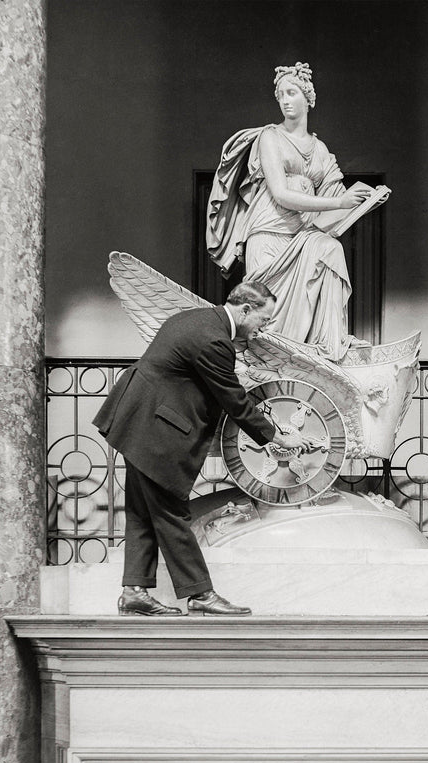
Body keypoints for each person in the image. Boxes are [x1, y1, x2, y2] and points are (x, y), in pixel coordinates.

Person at [93, 282, 303, 615]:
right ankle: (201, 594)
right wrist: (277, 436)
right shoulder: (215, 340)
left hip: (138, 422)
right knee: (170, 512)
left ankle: (135, 592)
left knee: (142, 511)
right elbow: (232, 399)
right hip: (155, 430)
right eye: (264, 319)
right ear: (246, 309)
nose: (265, 328)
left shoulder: (195, 319)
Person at [206, 62, 372, 361]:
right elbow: (282, 195)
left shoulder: (320, 150)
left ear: (308, 97)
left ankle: (329, 344)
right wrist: (341, 202)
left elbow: (327, 219)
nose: (284, 99)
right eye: (280, 94)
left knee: (331, 249)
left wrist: (361, 202)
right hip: (269, 233)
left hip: (302, 235)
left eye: (291, 92)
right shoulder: (270, 137)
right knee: (266, 315)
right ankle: (269, 367)